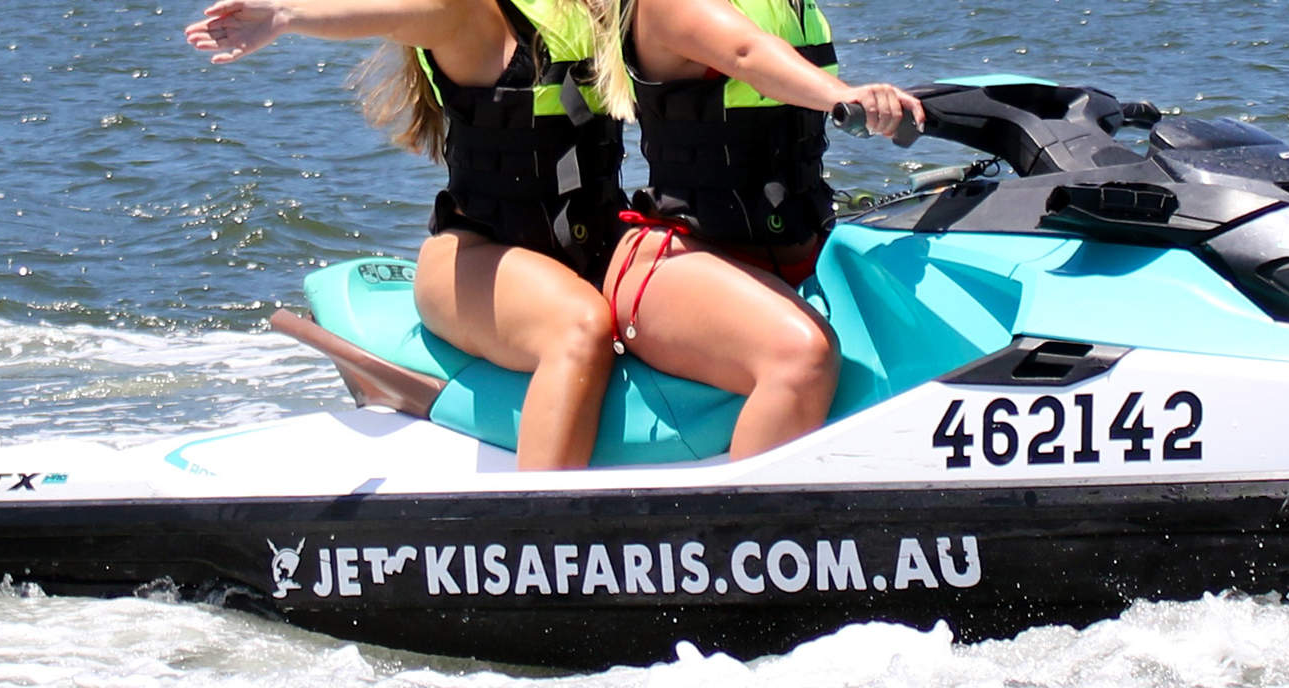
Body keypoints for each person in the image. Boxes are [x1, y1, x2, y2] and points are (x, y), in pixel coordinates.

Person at [185, 0, 632, 470]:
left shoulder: (599, 14)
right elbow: (398, 12)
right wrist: (287, 14)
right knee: (578, 328)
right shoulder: (476, 16)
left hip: (596, 250)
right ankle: (540, 527)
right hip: (477, 262)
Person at [604, 0, 922, 458]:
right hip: (679, 260)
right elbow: (747, 54)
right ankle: (741, 524)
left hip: (794, 247)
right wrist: (848, 97)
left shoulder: (794, 6)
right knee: (801, 358)